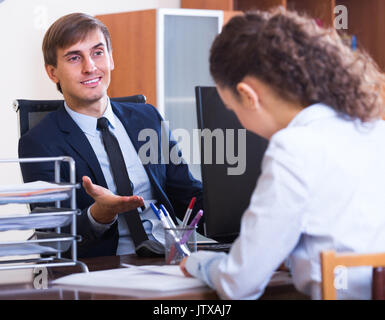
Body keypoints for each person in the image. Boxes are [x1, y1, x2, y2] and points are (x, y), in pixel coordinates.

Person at [180, 9, 385, 300]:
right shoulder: (375, 130)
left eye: (232, 108)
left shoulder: (293, 147)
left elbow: (238, 285)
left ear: (248, 96)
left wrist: (201, 262)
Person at [18, 13, 203, 258]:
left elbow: (187, 194)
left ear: (111, 58)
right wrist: (98, 215)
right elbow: (54, 236)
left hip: (172, 259)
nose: (90, 67)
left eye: (98, 52)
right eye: (74, 58)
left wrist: (245, 203)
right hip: (106, 269)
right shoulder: (40, 143)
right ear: (53, 73)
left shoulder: (148, 118)